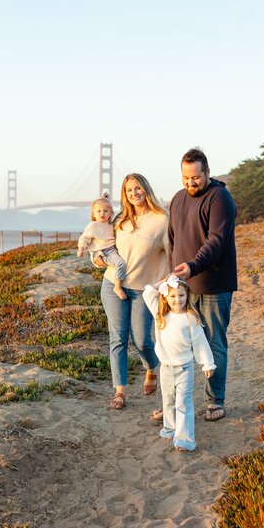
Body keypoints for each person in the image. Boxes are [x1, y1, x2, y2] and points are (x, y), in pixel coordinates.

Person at [163, 147, 237, 423]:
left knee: (213, 343)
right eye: (186, 178)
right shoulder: (178, 199)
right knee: (179, 344)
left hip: (214, 285)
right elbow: (172, 239)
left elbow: (216, 241)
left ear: (207, 172)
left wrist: (193, 265)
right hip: (183, 286)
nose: (191, 183)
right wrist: (172, 275)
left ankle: (214, 400)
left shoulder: (220, 198)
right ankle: (177, 400)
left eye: (196, 177)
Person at [100, 173, 169, 409]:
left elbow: (172, 255)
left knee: (142, 341)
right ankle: (120, 392)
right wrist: (97, 259)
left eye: (137, 188)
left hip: (143, 289)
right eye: (129, 190)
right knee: (117, 339)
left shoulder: (162, 220)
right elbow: (103, 247)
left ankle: (151, 367)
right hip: (112, 285)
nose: (134, 193)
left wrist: (164, 286)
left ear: (146, 189)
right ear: (125, 194)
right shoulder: (120, 219)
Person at [143, 275, 215, 451]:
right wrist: (166, 282)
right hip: (165, 368)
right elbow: (148, 293)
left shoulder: (190, 318)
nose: (177, 300)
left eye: (181, 295)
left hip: (185, 368)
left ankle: (184, 439)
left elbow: (200, 342)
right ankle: (170, 429)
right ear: (166, 297)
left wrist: (207, 363)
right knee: (167, 400)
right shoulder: (160, 314)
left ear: (187, 296)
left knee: (183, 402)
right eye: (173, 296)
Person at [77, 194, 127, 300]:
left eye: (105, 211)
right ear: (93, 214)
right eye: (98, 211)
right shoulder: (93, 225)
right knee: (120, 263)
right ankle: (117, 287)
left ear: (111, 214)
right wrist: (81, 249)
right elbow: (84, 238)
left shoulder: (110, 225)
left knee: (122, 261)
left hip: (113, 250)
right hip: (103, 252)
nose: (102, 213)